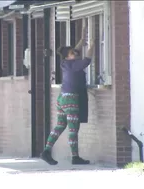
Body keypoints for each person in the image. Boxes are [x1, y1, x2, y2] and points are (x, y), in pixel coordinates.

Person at [40, 31, 95, 165]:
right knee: (73, 128)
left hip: (62, 98)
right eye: (72, 53)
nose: (75, 53)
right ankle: (75, 157)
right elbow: (87, 60)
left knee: (60, 125)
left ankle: (46, 151)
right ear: (67, 57)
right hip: (71, 100)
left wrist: (82, 39)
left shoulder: (65, 63)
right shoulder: (73, 65)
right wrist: (92, 45)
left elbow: (75, 50)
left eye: (74, 52)